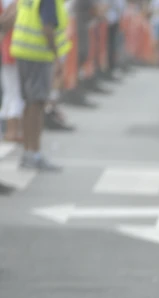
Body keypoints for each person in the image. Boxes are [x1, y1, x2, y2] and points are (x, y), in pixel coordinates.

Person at [9, 0, 71, 171]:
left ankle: (28, 153)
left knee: (29, 103)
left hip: (22, 50)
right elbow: (47, 28)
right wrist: (57, 56)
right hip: (38, 53)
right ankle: (34, 154)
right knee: (37, 105)